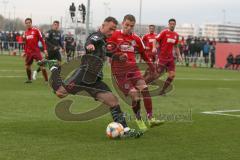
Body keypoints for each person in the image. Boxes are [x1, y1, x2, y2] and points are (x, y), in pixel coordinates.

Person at [38, 16, 143, 138]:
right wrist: (89, 46)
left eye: (114, 29)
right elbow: (90, 41)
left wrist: (117, 56)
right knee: (60, 93)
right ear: (103, 26)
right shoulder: (96, 36)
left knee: (113, 101)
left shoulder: (104, 41)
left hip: (95, 80)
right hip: (83, 76)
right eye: (110, 29)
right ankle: (53, 66)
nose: (112, 32)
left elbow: (106, 52)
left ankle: (125, 130)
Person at [107, 14, 163, 132]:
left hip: (133, 70)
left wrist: (153, 68)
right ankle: (138, 119)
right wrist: (117, 56)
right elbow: (108, 51)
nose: (128, 28)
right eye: (126, 25)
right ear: (122, 23)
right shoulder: (114, 35)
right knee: (135, 95)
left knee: (145, 88)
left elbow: (144, 54)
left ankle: (150, 118)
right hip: (120, 73)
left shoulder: (136, 39)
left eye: (131, 26)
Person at [144, 18, 183, 95]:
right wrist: (154, 47)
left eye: (173, 24)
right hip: (162, 57)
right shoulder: (164, 32)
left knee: (172, 75)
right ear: (168, 25)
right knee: (156, 75)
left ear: (175, 25)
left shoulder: (176, 35)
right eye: (170, 24)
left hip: (170, 58)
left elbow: (176, 46)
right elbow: (155, 40)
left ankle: (162, 91)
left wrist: (179, 55)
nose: (172, 25)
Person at [22, 18, 48, 83]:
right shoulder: (25, 32)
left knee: (42, 66)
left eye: (29, 23)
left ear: (31, 23)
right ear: (25, 24)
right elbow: (26, 43)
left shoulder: (36, 30)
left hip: (36, 52)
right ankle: (29, 79)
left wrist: (45, 49)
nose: (28, 24)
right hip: (29, 52)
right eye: (26, 23)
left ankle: (46, 81)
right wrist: (24, 51)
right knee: (27, 66)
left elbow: (42, 40)